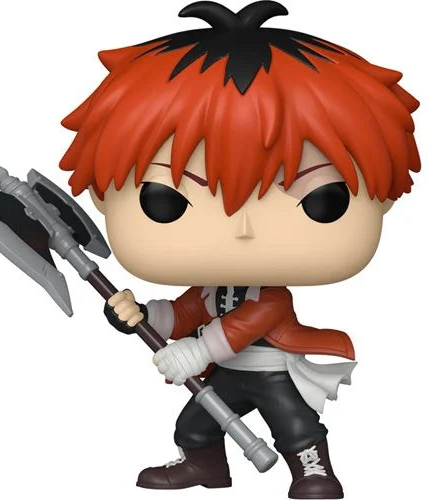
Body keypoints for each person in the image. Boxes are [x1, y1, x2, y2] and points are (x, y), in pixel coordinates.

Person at [59, 2, 420, 498]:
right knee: (195, 424)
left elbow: (255, 318)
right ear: (102, 196)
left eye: (322, 199)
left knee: (296, 426)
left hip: (272, 371)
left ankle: (313, 470)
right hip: (227, 374)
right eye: (167, 200)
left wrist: (197, 351)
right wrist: (141, 314)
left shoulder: (270, 295)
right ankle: (205, 466)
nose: (242, 228)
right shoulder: (212, 289)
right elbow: (186, 311)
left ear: (385, 199)